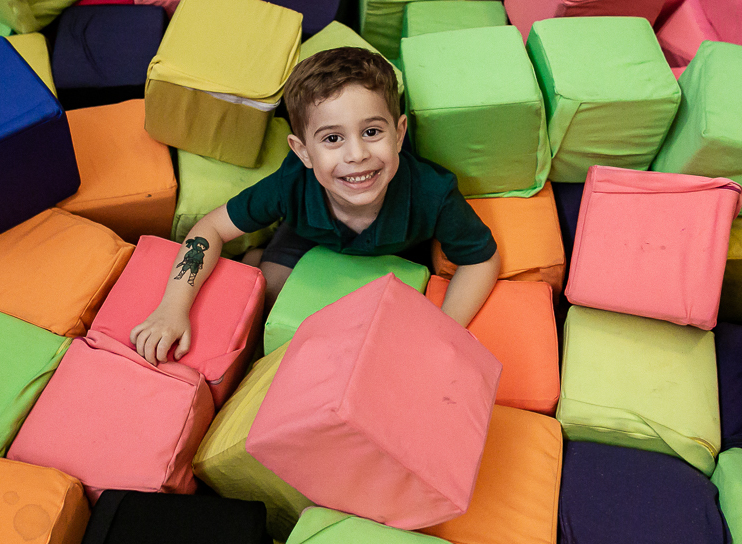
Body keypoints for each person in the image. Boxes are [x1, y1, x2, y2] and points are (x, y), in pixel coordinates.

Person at [131, 47, 501, 366]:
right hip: (305, 239)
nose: (356, 154)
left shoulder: (432, 192)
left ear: (399, 133)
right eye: (333, 138)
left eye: (372, 132)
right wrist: (172, 308)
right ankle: (257, 259)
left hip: (394, 255)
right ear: (303, 151)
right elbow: (211, 228)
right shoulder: (291, 184)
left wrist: (443, 328)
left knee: (380, 341)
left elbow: (481, 259)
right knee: (268, 308)